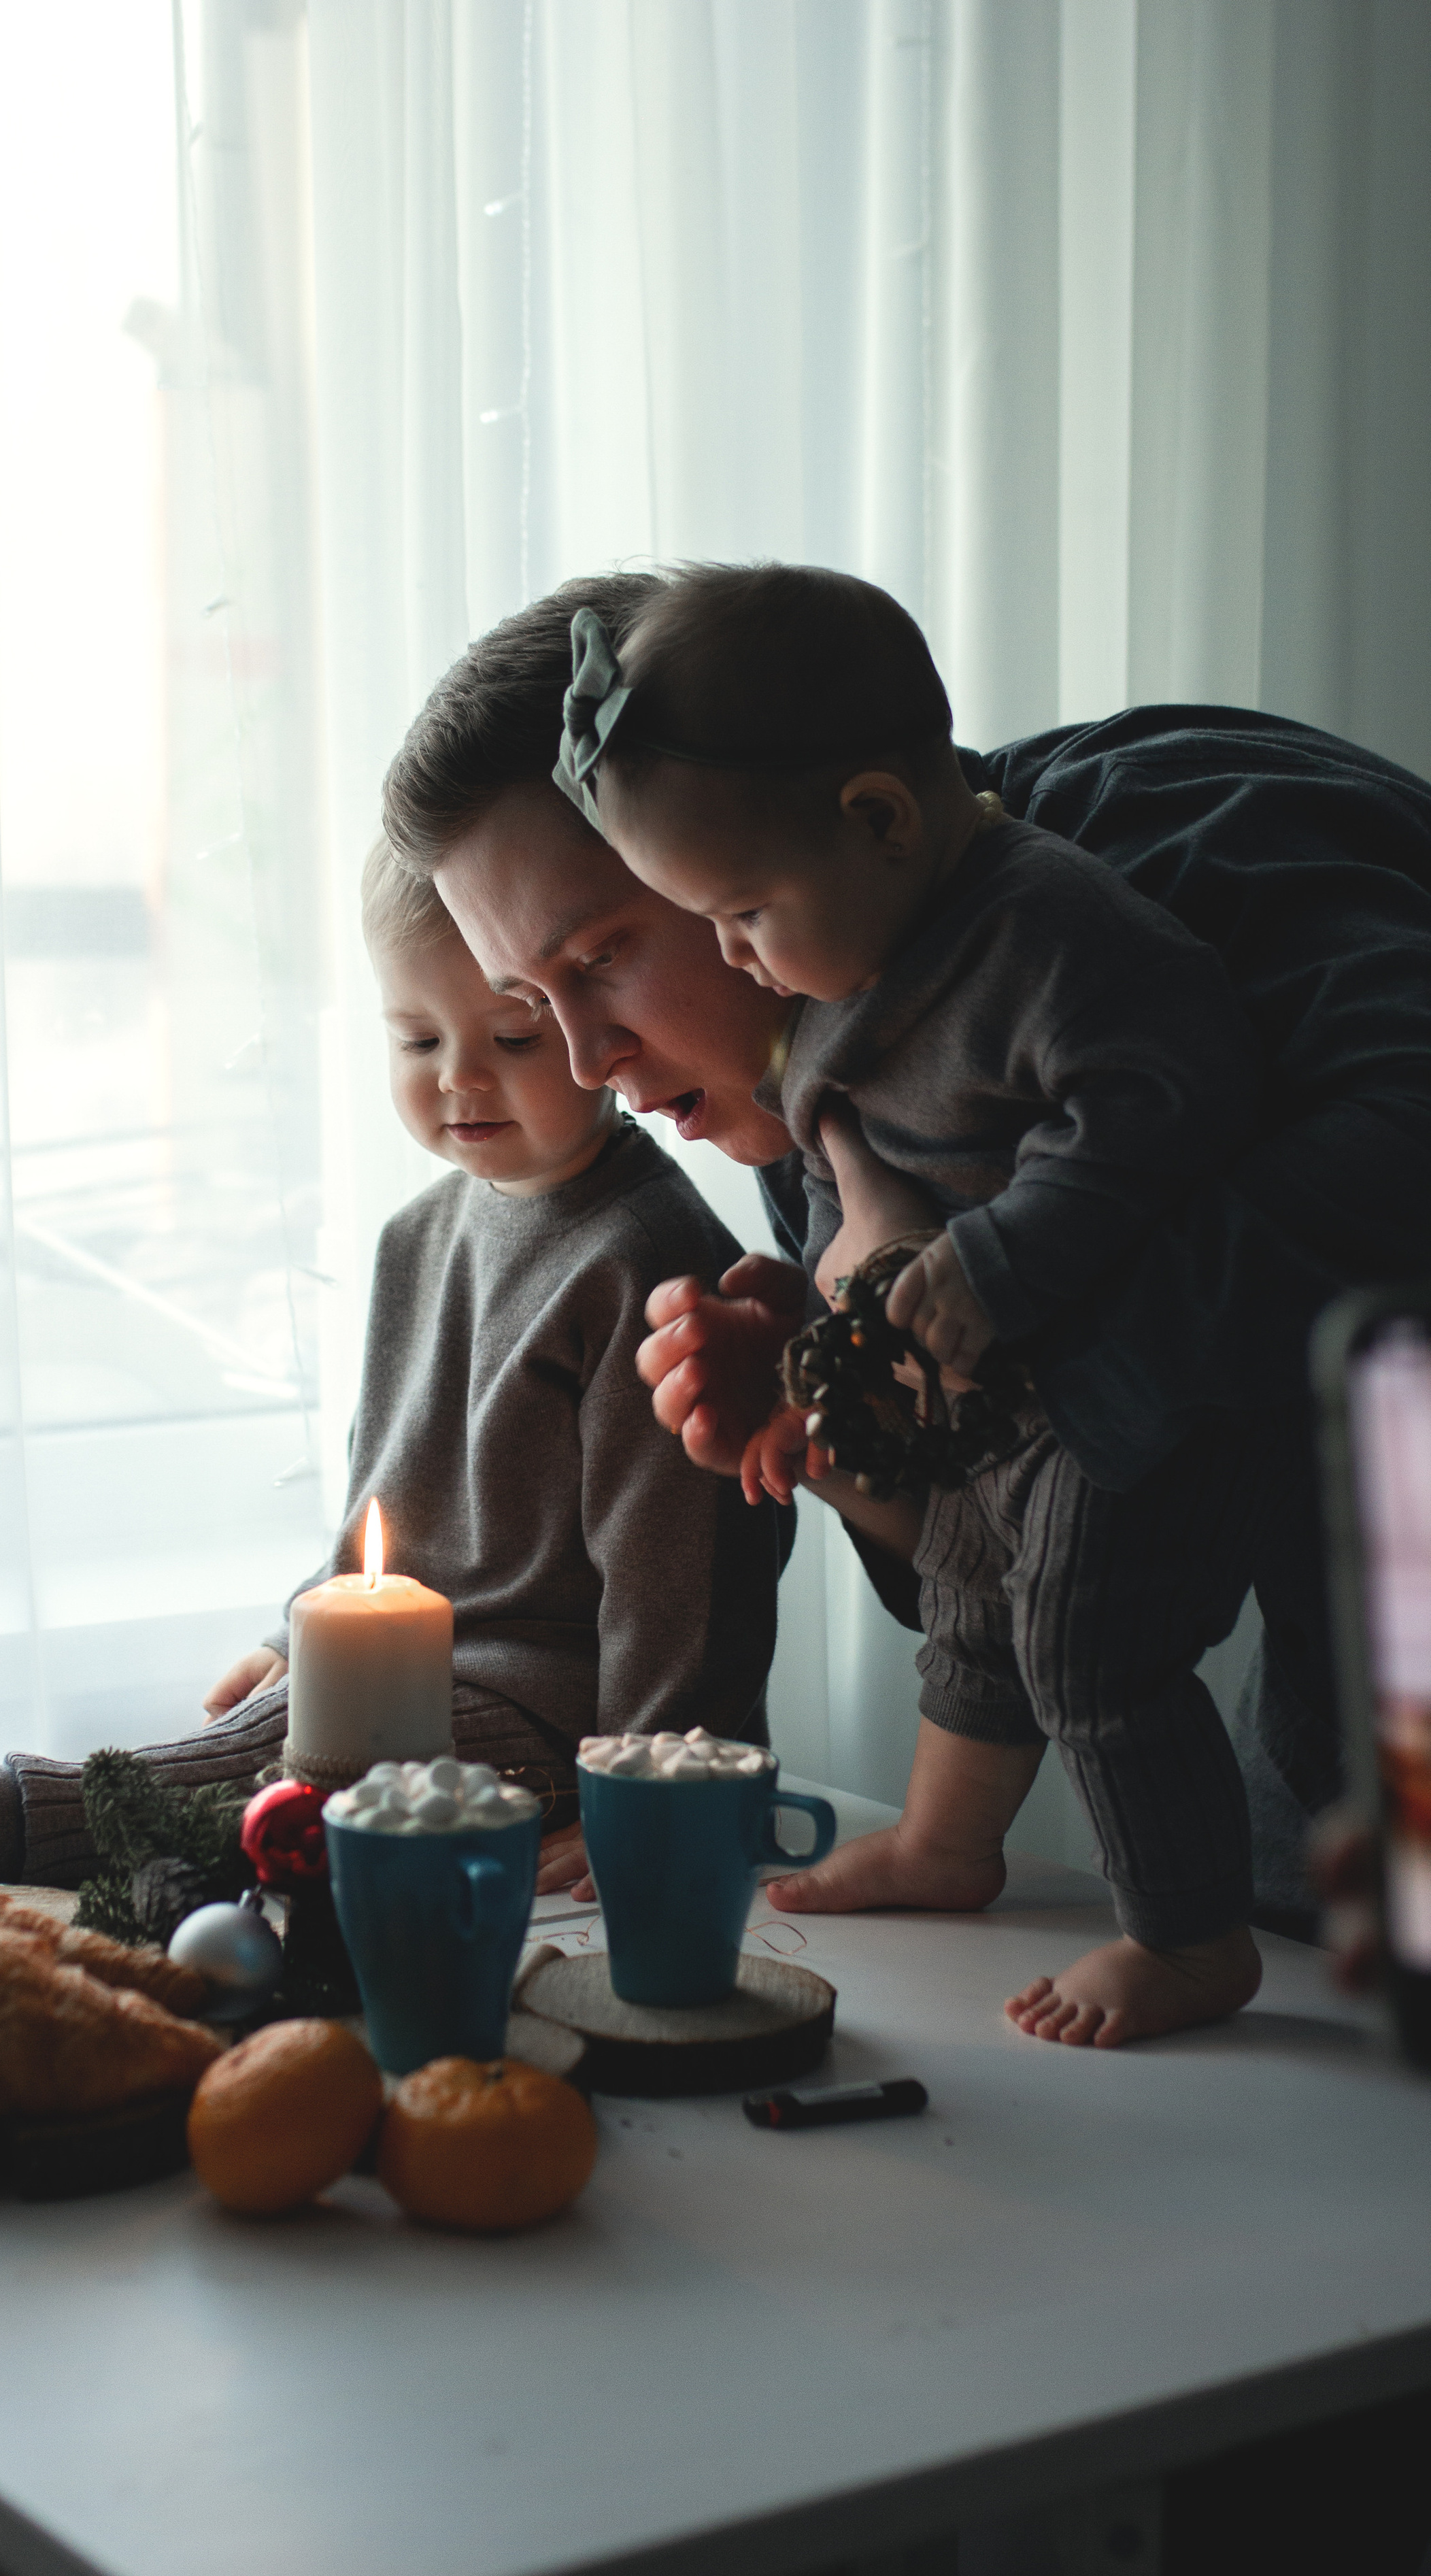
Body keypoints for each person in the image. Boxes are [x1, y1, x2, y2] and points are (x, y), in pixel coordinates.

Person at [380, 567, 1431, 1988]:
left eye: (606, 957)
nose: (585, 1065)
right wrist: (821, 1419)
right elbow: (985, 1526)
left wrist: (978, 1321)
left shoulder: (1179, 832)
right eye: (530, 1006)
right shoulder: (828, 1107)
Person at [0, 846, 790, 1902]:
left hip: (560, 1719)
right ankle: (40, 1822)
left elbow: (684, 1585)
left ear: (590, 1027)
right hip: (421, 1678)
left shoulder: (642, 1262)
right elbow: (387, 1514)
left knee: (307, 1787)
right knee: (268, 1766)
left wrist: (645, 1796)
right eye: (416, 1038)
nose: (459, 1076)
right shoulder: (414, 1240)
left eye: (510, 1035)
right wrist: (301, 1639)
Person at [549, 559, 1301, 2046]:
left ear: (881, 820)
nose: (730, 956)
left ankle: (1188, 1934)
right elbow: (859, 1217)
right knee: (968, 1607)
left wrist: (993, 1263)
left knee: (1088, 1645)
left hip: (1111, 1390)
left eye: (739, 913)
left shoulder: (1045, 928)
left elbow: (1170, 1098)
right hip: (989, 1408)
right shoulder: (848, 971)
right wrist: (827, 1363)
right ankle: (949, 1844)